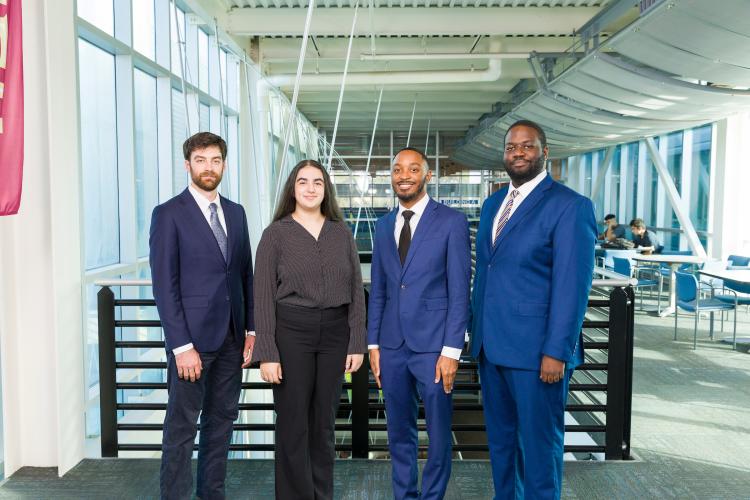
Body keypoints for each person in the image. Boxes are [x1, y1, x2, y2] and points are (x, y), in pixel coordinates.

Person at [470, 120, 596, 499]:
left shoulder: (570, 206)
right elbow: (487, 273)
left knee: (540, 450)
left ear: (545, 152)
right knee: (503, 446)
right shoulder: (493, 203)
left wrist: (557, 351)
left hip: (538, 353)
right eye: (511, 147)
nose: (518, 153)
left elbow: (572, 287)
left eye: (527, 146)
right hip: (491, 349)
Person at [251, 159, 366, 500]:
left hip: (335, 335)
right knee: (293, 424)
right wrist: (268, 354)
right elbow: (262, 297)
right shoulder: (275, 235)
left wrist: (356, 342)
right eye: (303, 182)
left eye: (318, 182)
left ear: (326, 189)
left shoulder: (341, 233)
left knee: (323, 425)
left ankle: (321, 494)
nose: (311, 188)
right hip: (291, 333)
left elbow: (356, 292)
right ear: (292, 188)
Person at [150, 132, 255, 500]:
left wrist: (251, 329)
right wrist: (181, 346)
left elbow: (245, 274)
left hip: (231, 339)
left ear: (224, 165)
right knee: (181, 428)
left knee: (220, 424)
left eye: (215, 160)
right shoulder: (168, 215)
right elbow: (165, 285)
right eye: (200, 160)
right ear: (187, 165)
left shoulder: (237, 213)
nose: (208, 167)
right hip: (191, 343)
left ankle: (212, 494)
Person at [368, 147, 471, 500]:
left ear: (427, 175)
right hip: (392, 347)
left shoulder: (452, 222)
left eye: (413, 169)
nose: (404, 175)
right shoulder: (383, 226)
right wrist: (373, 345)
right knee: (399, 433)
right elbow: (379, 290)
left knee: (439, 435)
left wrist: (452, 351)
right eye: (398, 170)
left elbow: (460, 293)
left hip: (434, 349)